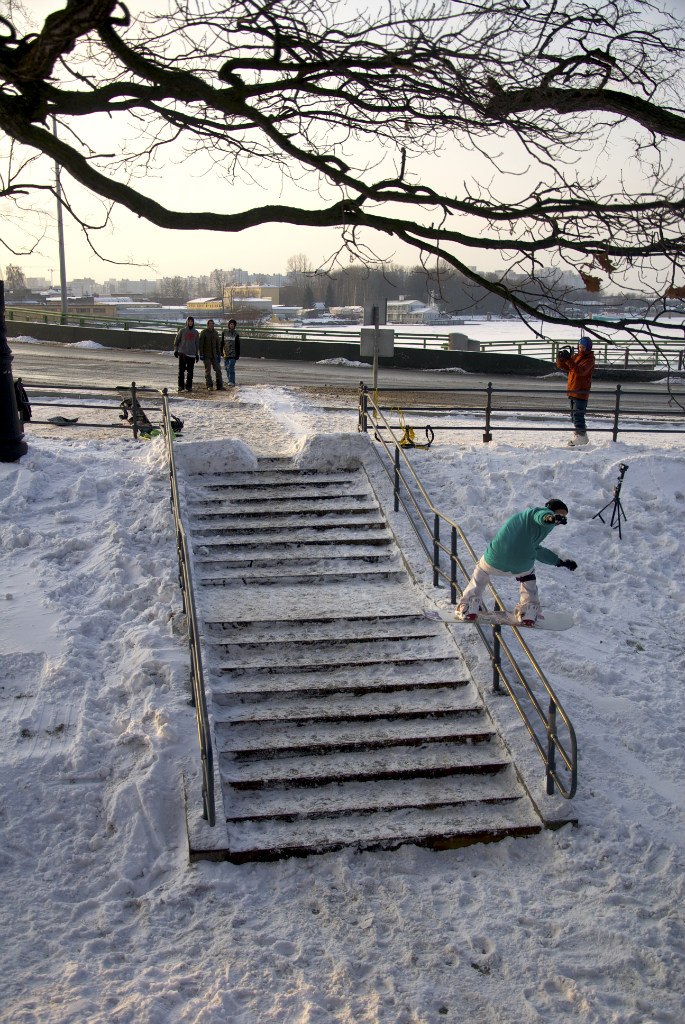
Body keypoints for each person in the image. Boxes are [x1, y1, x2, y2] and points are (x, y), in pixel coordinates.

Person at [455, 499, 577, 625]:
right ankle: (528, 611)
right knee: (528, 576)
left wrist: (559, 562)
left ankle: (469, 606)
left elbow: (537, 549)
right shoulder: (539, 513)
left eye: (563, 517)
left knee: (481, 571)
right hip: (521, 564)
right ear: (552, 510)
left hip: (496, 557)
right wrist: (551, 518)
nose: (561, 519)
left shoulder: (530, 526)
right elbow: (541, 516)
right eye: (561, 514)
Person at [556, 337, 596, 447]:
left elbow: (580, 371)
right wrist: (560, 358)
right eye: (580, 347)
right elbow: (564, 367)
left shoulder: (589, 360)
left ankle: (581, 435)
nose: (581, 349)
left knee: (578, 414)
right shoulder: (577, 357)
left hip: (581, 390)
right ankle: (580, 434)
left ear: (588, 348)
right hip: (572, 389)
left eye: (583, 347)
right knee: (574, 415)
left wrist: (569, 360)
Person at [173, 316, 200, 392]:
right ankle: (180, 386)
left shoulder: (196, 332)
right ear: (187, 322)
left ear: (193, 322)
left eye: (191, 321)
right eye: (189, 321)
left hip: (191, 354)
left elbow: (197, 344)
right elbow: (176, 341)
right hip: (182, 353)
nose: (190, 323)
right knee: (181, 371)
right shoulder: (182, 331)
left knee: (190, 371)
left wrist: (197, 354)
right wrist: (176, 350)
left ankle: (189, 386)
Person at [198, 318, 223, 391]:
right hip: (206, 355)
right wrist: (201, 354)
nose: (211, 325)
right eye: (210, 324)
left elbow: (218, 344)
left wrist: (219, 354)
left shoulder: (215, 333)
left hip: (214, 354)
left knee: (218, 369)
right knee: (208, 371)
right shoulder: (204, 332)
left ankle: (219, 385)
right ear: (207, 325)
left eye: (212, 324)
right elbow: (201, 344)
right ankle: (209, 385)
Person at [221, 319, 241, 386]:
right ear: (229, 325)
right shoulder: (224, 332)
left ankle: (232, 381)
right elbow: (222, 343)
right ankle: (229, 380)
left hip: (233, 354)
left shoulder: (236, 334)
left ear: (234, 326)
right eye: (230, 324)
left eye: (233, 324)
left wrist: (237, 354)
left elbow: (238, 345)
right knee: (226, 368)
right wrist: (221, 351)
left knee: (231, 367)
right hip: (226, 354)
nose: (231, 325)